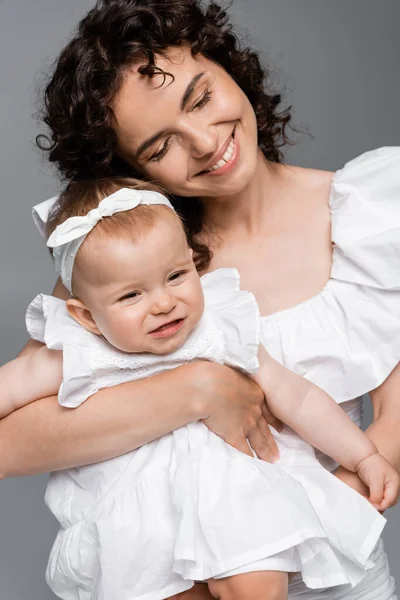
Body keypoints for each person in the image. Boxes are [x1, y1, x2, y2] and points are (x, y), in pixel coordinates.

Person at [0, 1, 399, 598]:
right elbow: (11, 443)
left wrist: (297, 525)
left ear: (229, 66)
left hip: (329, 560)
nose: (205, 143)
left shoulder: (375, 212)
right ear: (131, 169)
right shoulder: (126, 265)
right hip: (160, 569)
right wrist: (199, 391)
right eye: (159, 148)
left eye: (200, 98)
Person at [1, 177, 396, 600]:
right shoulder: (79, 351)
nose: (164, 302)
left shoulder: (221, 330)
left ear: (194, 264)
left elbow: (297, 397)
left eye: (175, 276)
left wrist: (363, 454)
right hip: (141, 523)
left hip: (232, 499)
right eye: (132, 295)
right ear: (87, 317)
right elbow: (11, 387)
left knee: (257, 582)